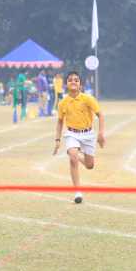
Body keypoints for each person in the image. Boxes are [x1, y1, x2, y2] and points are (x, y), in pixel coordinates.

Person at [54, 71, 106, 204]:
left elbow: (100, 115)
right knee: (72, 157)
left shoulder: (88, 99)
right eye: (70, 79)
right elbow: (60, 121)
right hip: (72, 133)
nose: (73, 81)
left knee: (90, 165)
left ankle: (77, 155)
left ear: (80, 85)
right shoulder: (62, 103)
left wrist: (101, 133)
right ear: (66, 84)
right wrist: (58, 140)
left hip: (88, 134)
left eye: (76, 80)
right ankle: (77, 191)